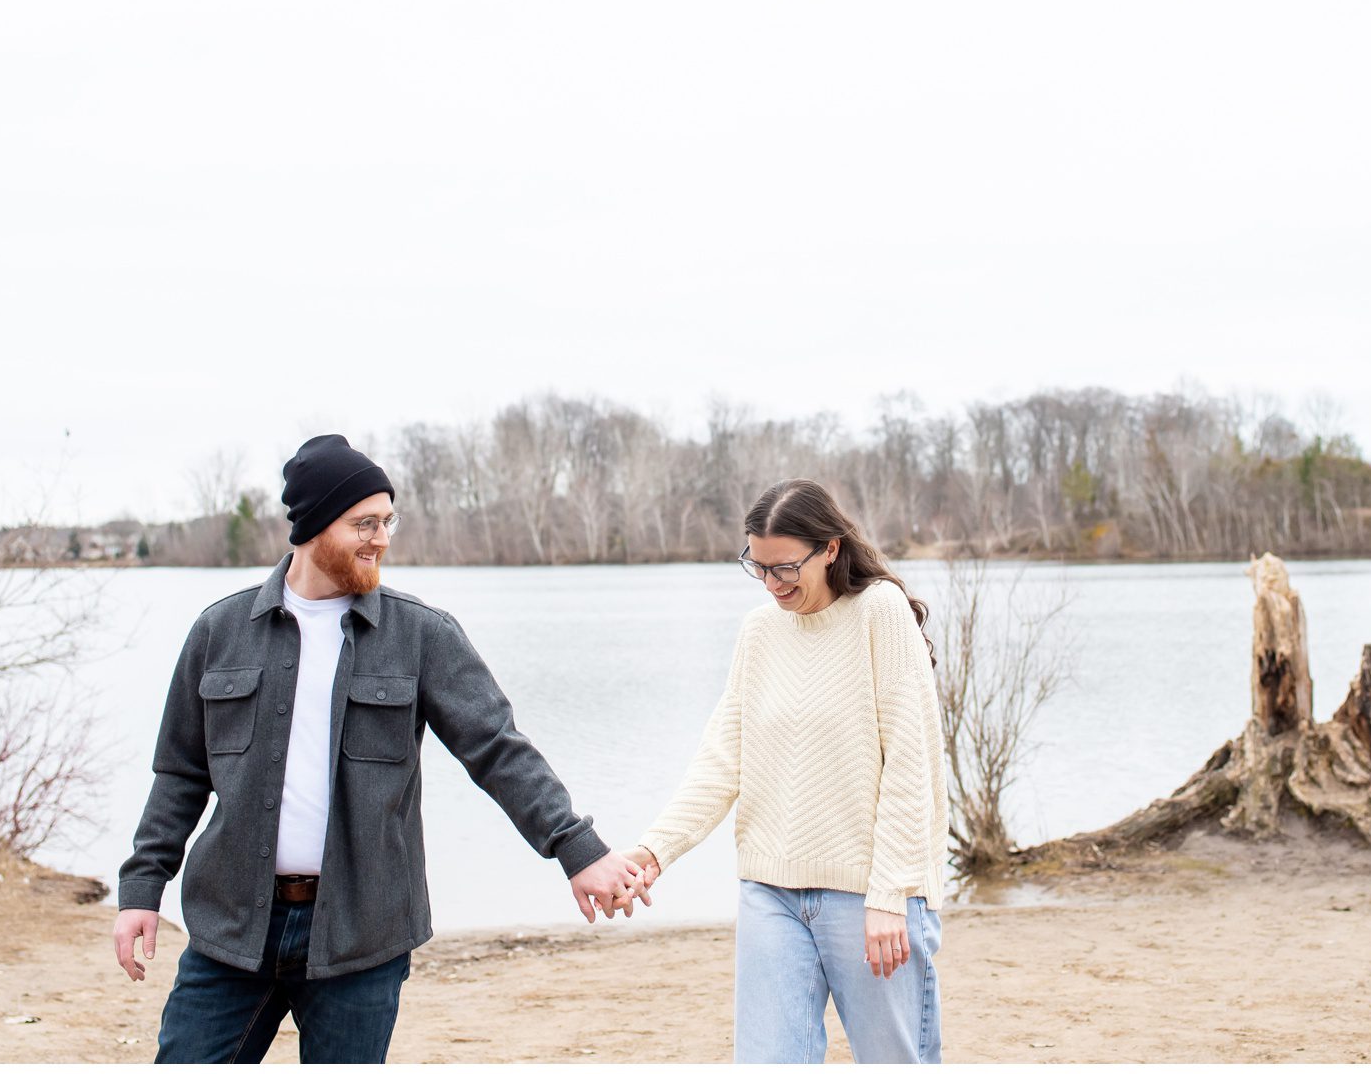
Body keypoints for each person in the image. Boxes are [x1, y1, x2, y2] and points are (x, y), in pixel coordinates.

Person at [114, 434, 648, 1062]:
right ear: (311, 527)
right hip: (230, 930)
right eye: (363, 523)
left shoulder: (421, 634)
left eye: (387, 520)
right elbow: (179, 774)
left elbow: (499, 751)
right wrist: (141, 888)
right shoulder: (220, 631)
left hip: (361, 936)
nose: (382, 538)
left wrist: (577, 849)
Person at [625, 478, 949, 1063]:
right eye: (760, 567)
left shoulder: (880, 612)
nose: (773, 585)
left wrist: (890, 894)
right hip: (770, 891)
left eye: (786, 568)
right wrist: (654, 852)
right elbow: (723, 760)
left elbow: (911, 761)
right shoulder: (759, 632)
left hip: (871, 895)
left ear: (829, 549)